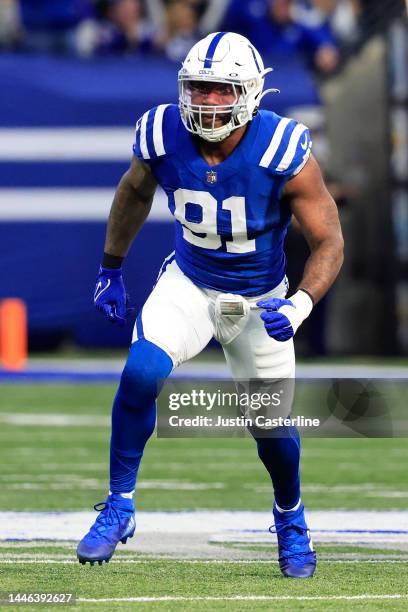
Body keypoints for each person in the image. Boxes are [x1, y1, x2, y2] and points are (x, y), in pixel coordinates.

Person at [77, 31, 344, 578]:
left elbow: (329, 241)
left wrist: (299, 305)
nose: (207, 101)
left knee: (272, 430)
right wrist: (109, 267)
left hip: (261, 298)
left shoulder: (283, 148)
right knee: (142, 370)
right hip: (191, 283)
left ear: (248, 92)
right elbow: (133, 191)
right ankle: (119, 505)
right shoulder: (160, 131)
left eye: (222, 90)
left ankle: (290, 517)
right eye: (198, 88)